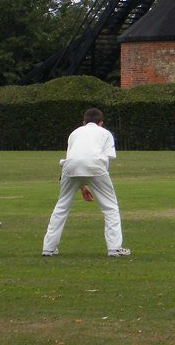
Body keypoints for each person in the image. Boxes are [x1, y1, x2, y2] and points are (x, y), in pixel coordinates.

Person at [42, 108, 131, 258]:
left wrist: (82, 186)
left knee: (61, 207)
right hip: (96, 167)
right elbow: (107, 158)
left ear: (84, 122)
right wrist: (94, 181)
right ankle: (114, 249)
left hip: (69, 167)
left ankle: (48, 248)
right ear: (101, 123)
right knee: (110, 208)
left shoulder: (75, 133)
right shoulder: (105, 133)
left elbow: (74, 158)